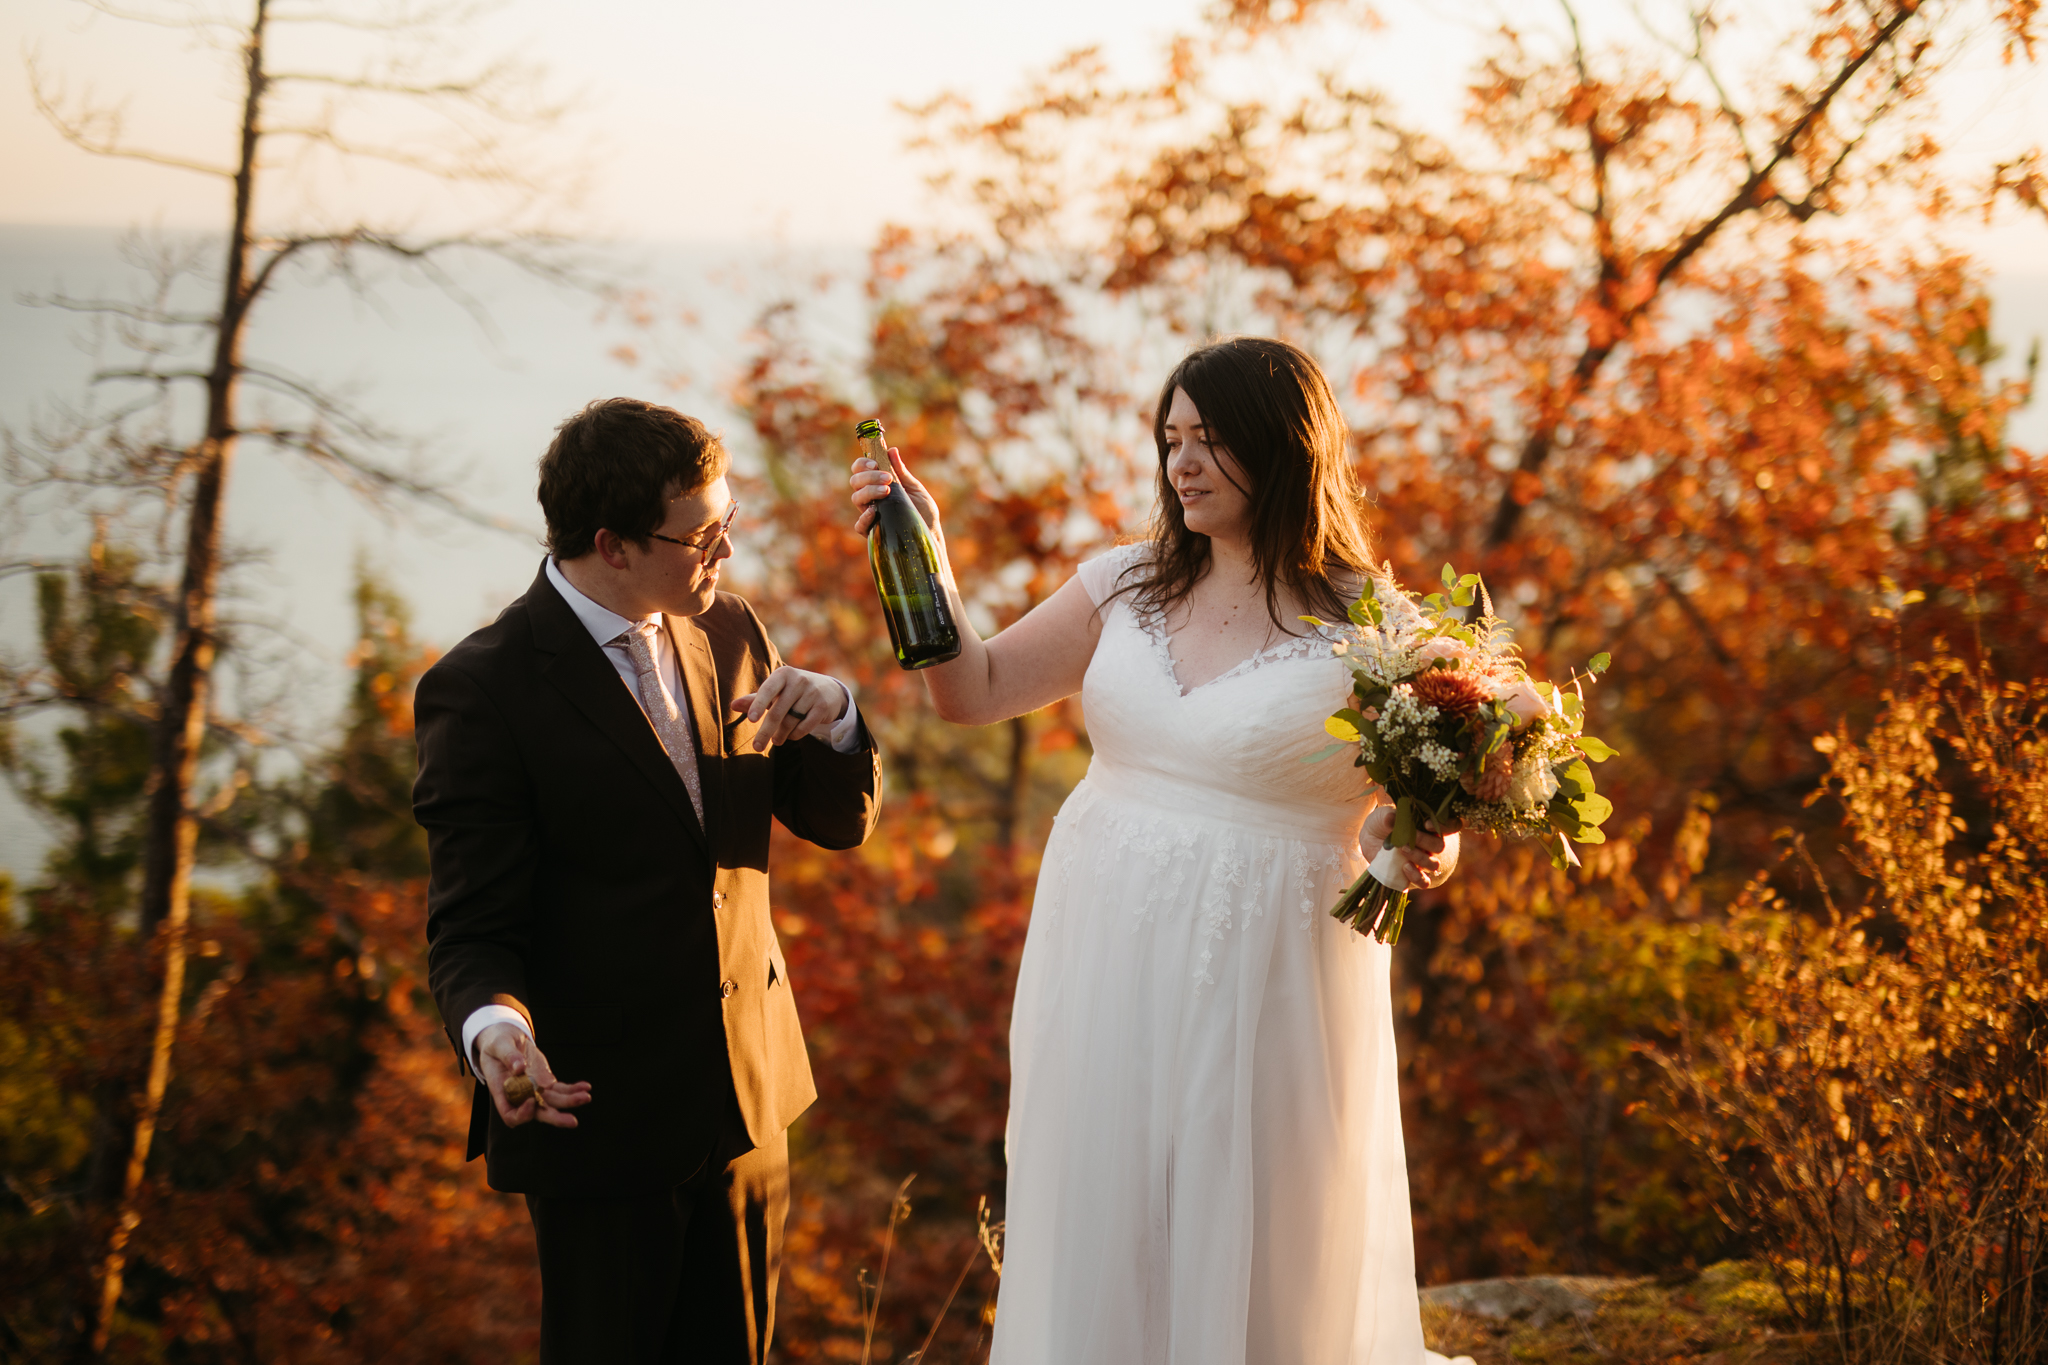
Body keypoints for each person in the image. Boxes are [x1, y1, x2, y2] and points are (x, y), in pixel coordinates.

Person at [849, 337, 1467, 1364]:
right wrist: (931, 562)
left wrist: (1419, 846)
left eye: (1209, 439)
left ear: (1283, 449)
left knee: (1257, 1215)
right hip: (1101, 947)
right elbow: (974, 692)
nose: (1180, 463)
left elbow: (1398, 823)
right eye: (1169, 438)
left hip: (1274, 968)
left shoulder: (1375, 630)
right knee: (1106, 1202)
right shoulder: (1123, 583)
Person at [417, 397, 883, 1365]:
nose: (723, 552)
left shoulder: (727, 630)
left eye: (727, 522)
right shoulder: (482, 689)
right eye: (701, 534)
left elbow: (835, 823)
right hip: (600, 1128)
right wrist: (496, 1033)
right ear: (613, 545)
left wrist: (836, 714)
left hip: (747, 1109)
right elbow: (470, 928)